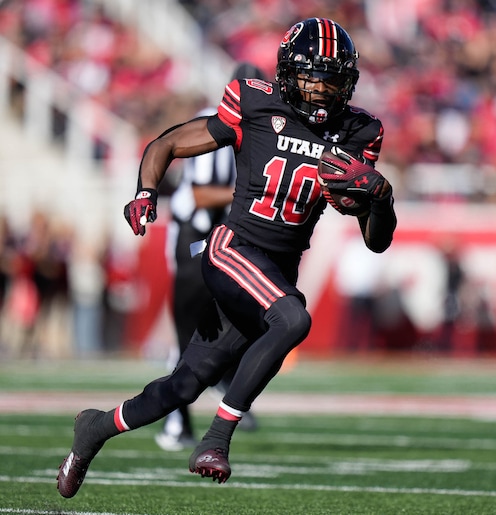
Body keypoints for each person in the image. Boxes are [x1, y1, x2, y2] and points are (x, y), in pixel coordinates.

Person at [57, 17, 396, 498]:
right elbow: (167, 142)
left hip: (273, 274)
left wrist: (380, 200)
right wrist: (145, 192)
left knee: (183, 385)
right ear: (287, 72)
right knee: (293, 320)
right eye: (312, 76)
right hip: (231, 249)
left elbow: (376, 240)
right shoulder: (257, 103)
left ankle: (94, 429)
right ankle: (217, 440)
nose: (321, 90)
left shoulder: (359, 132)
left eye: (332, 78)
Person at [154, 63, 264, 452]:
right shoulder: (215, 123)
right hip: (195, 238)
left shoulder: (261, 128)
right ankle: (176, 418)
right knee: (188, 333)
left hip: (219, 236)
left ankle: (222, 387)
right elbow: (202, 194)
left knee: (225, 323)